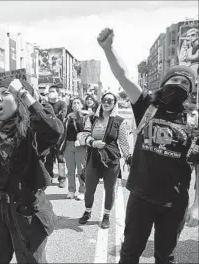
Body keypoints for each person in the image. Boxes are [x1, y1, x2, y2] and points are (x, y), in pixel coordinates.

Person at [98, 28, 199, 263]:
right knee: (130, 253)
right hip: (141, 197)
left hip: (174, 203)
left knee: (165, 257)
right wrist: (108, 49)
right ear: (163, 84)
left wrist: (196, 205)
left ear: (191, 91)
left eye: (184, 82)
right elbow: (124, 76)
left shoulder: (193, 121)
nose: (178, 84)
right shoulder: (147, 106)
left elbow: (198, 166)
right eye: (173, 79)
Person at [0, 79, 64, 263]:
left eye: (6, 93)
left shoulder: (32, 129)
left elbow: (54, 130)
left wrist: (24, 94)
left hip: (26, 208)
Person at [78, 92, 131, 229]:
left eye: (110, 101)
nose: (107, 103)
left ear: (114, 104)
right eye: (104, 100)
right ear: (101, 101)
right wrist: (92, 142)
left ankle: (106, 215)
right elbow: (83, 134)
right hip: (94, 157)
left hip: (112, 158)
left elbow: (124, 142)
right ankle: (87, 212)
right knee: (89, 188)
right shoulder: (92, 119)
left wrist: (129, 158)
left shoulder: (120, 121)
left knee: (109, 189)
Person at [59, 97, 89, 200]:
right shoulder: (68, 117)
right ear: (71, 106)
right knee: (70, 170)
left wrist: (80, 140)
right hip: (69, 145)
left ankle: (82, 191)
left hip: (81, 146)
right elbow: (64, 133)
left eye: (78, 103)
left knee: (81, 169)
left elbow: (87, 131)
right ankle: (71, 190)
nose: (76, 104)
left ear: (81, 105)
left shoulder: (86, 116)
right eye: (74, 103)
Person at [44, 85, 68, 187]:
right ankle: (49, 176)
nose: (51, 93)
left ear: (57, 93)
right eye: (50, 91)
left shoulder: (62, 103)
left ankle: (62, 178)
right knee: (48, 157)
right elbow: (43, 117)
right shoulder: (45, 104)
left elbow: (62, 116)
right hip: (48, 135)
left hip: (60, 135)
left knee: (60, 157)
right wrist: (53, 117)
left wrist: (50, 117)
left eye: (53, 91)